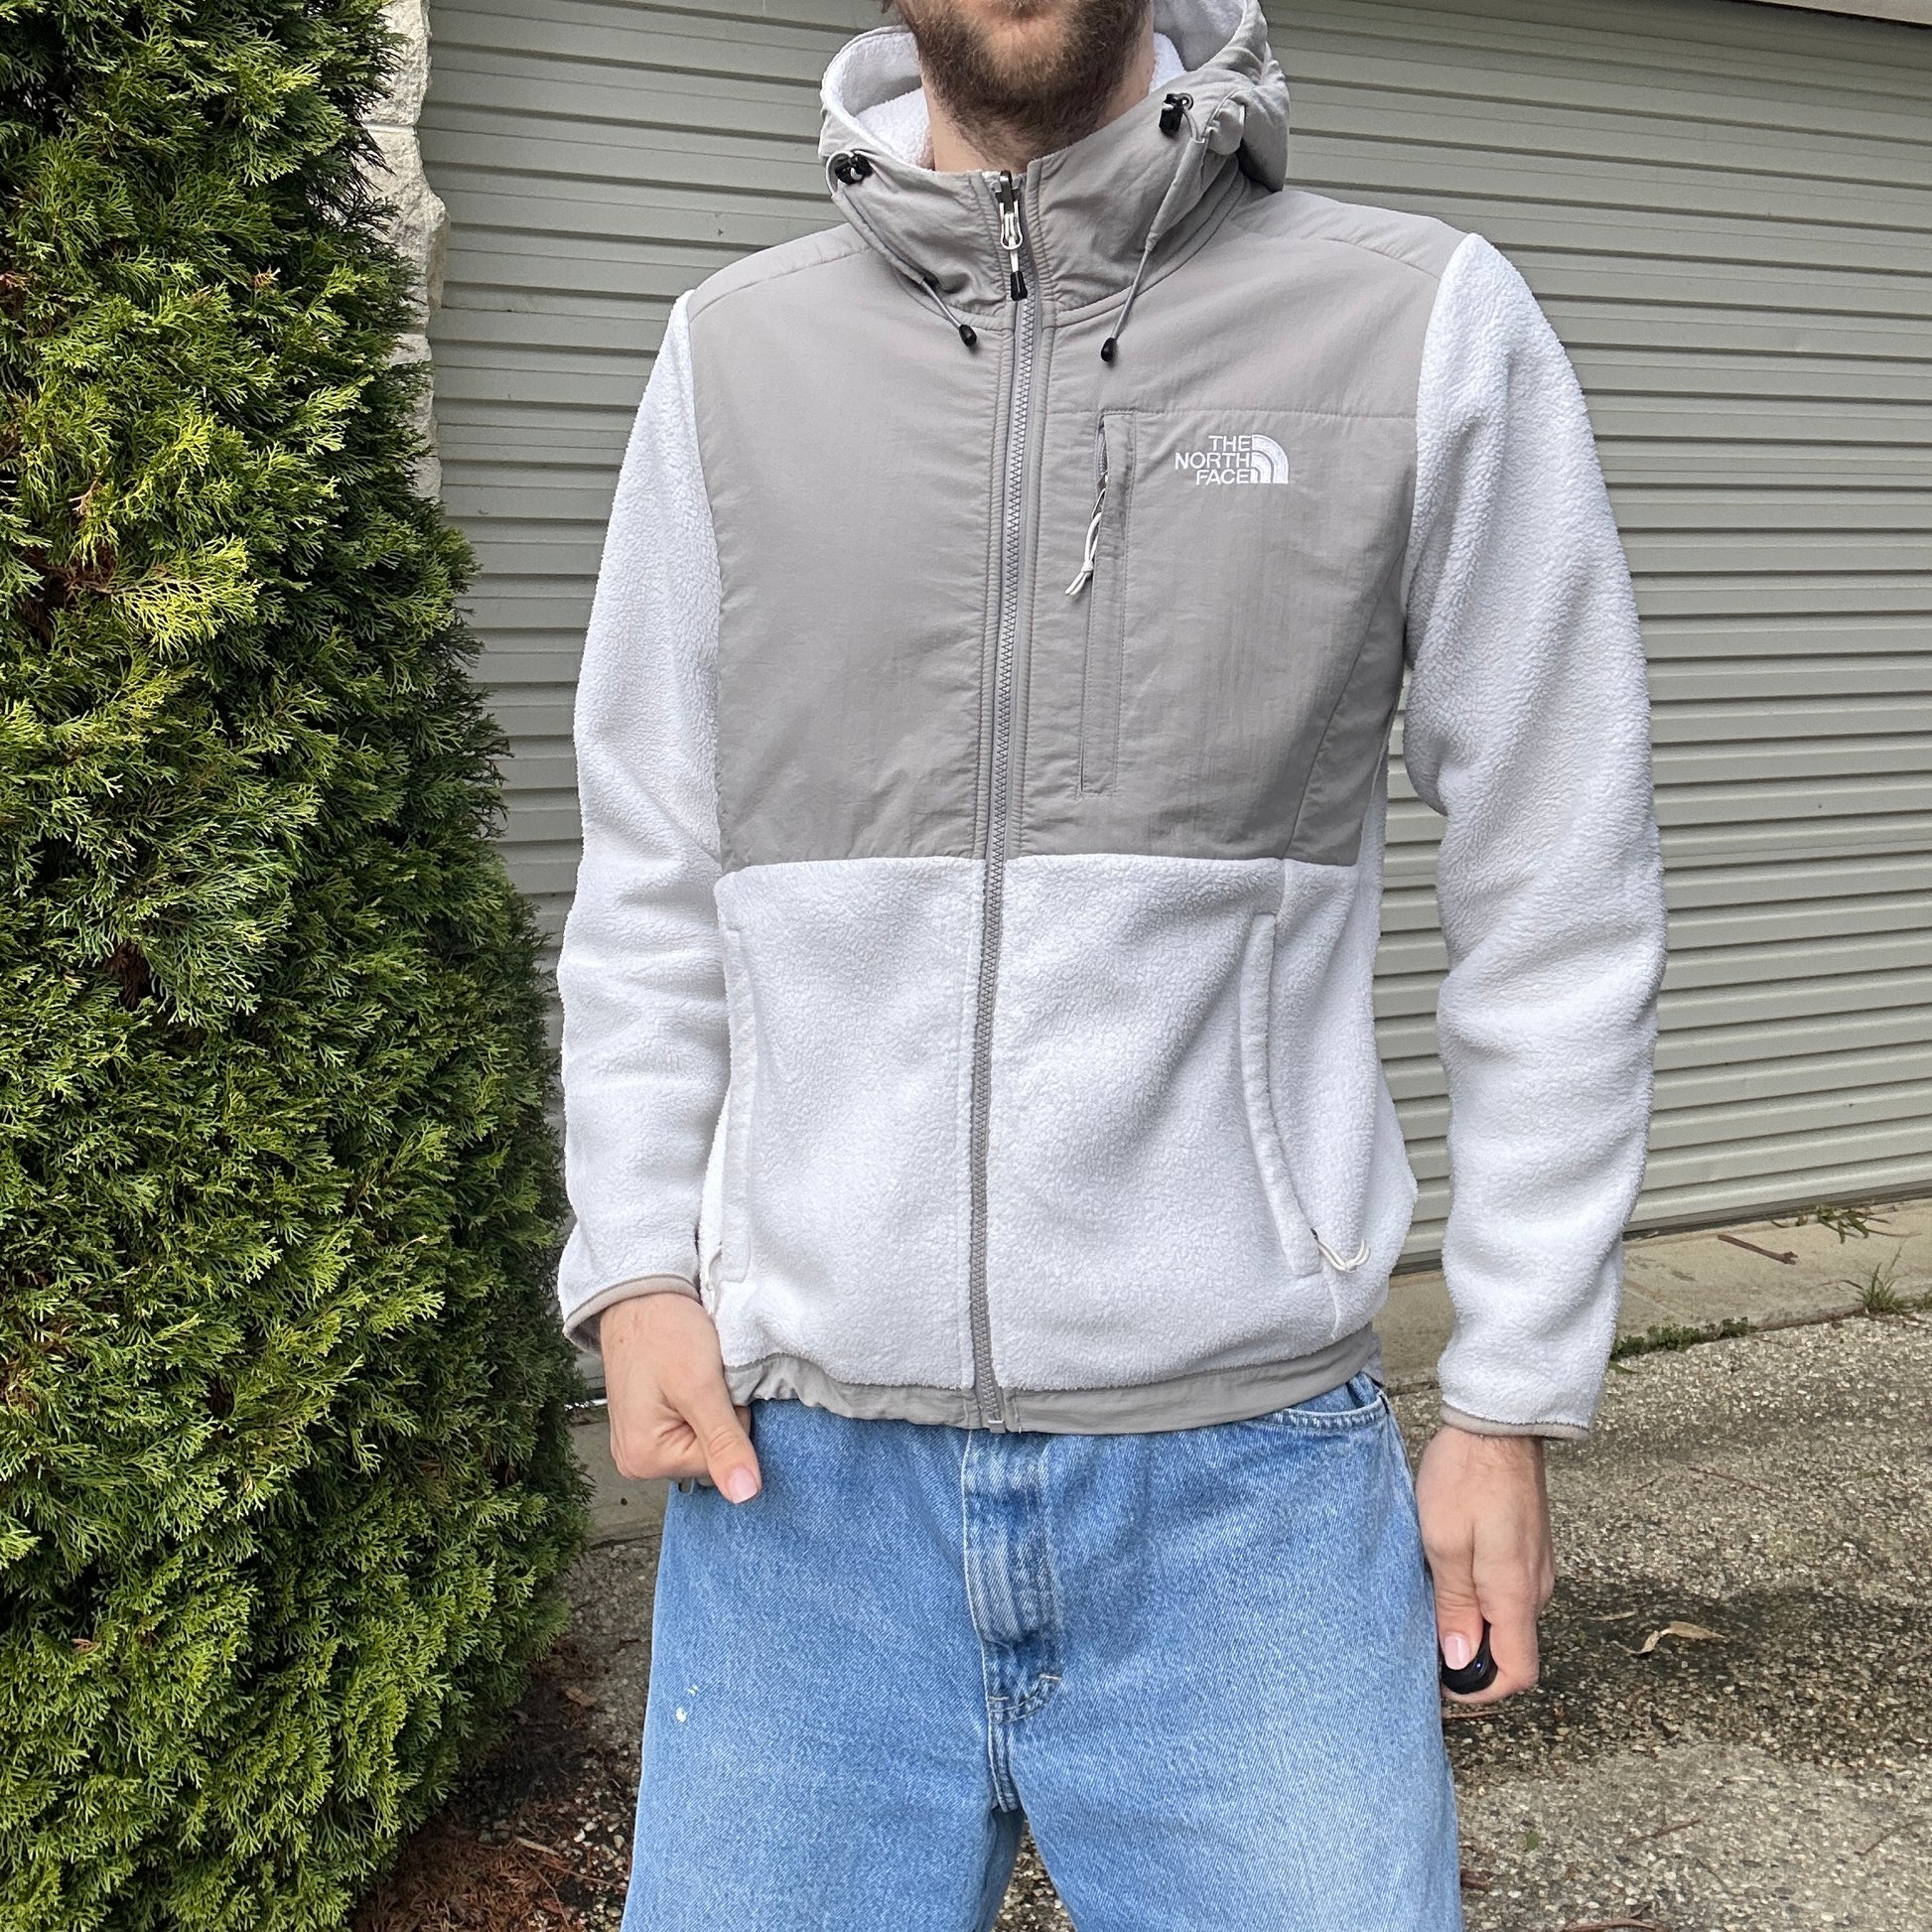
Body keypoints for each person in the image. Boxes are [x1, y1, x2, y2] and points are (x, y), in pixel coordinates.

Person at [556, 0, 1667, 1921]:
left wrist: (1508, 1395)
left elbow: (1558, 883)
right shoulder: (731, 357)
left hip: (1244, 1510)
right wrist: (638, 1268)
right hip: (797, 1501)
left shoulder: (1417, 323)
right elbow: (652, 857)